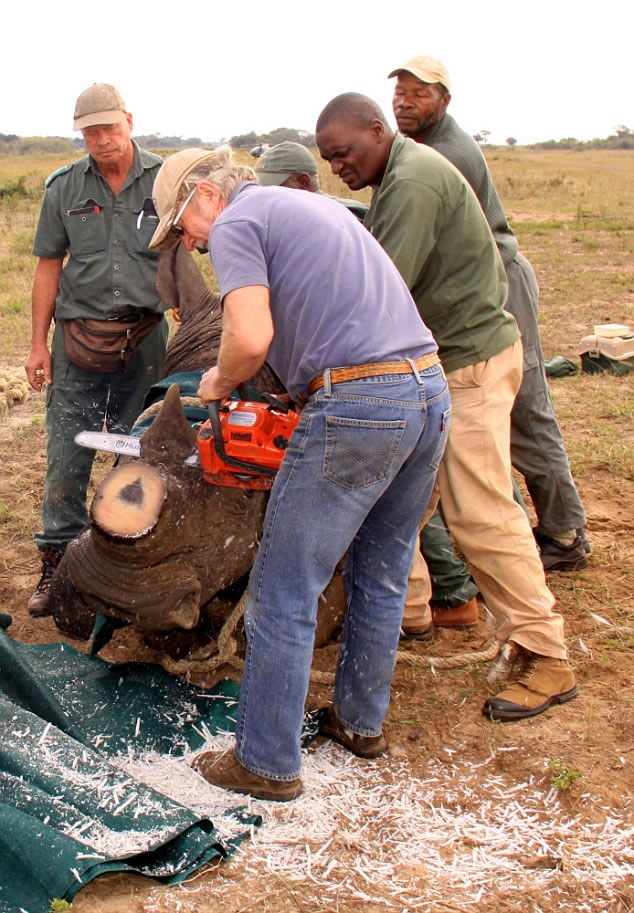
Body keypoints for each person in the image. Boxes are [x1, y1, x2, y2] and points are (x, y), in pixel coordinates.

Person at [147, 146, 449, 800]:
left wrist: (219, 381)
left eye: (185, 229)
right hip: (426, 388)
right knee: (383, 565)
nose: (194, 245)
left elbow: (249, 337)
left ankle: (265, 760)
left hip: (363, 398)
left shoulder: (236, 222)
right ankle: (361, 721)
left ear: (204, 194)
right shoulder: (309, 206)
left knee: (285, 582)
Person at [316, 94, 578, 722]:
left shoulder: (412, 183)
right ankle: (406, 615)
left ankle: (546, 655)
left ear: (378, 132)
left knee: (481, 510)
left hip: (468, 367)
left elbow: (379, 291)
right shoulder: (398, 174)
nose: (338, 169)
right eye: (328, 160)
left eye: (345, 153)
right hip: (449, 360)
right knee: (400, 497)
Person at [256, 140, 479, 633]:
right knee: (400, 509)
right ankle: (419, 609)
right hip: (410, 371)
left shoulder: (344, 221)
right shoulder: (306, 221)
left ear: (300, 184)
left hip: (392, 368)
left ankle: (455, 588)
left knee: (430, 491)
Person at [389, 56, 589, 574]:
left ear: (445, 102)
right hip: (477, 282)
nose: (405, 101)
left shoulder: (444, 155)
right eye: (400, 92)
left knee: (525, 405)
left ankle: (564, 532)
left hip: (496, 284)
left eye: (420, 93)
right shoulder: (421, 152)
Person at [25, 84, 168, 616]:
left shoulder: (166, 180)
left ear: (130, 121)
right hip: (77, 340)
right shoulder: (63, 187)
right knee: (67, 455)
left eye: (110, 127)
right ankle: (56, 569)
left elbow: (187, 248)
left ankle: (133, 566)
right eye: (90, 131)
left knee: (143, 452)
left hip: (147, 339)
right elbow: (47, 266)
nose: (102, 140)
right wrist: (38, 345)